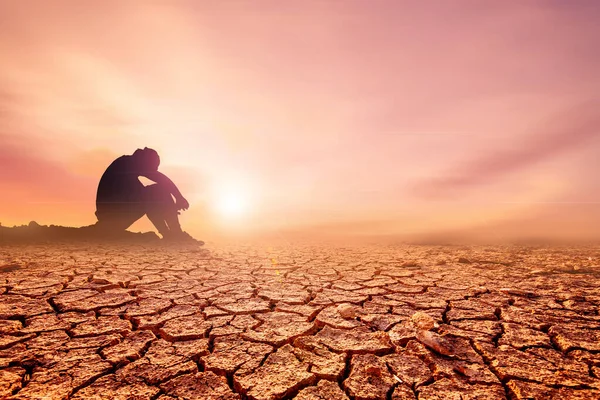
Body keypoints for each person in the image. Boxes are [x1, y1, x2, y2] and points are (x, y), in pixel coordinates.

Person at [94, 147, 198, 242]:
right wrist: (179, 198)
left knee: (154, 195)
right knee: (157, 191)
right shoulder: (128, 164)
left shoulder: (127, 167)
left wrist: (168, 207)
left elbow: (150, 196)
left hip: (111, 215)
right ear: (145, 162)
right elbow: (160, 179)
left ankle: (170, 234)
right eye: (153, 167)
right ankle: (175, 233)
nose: (154, 171)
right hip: (112, 217)